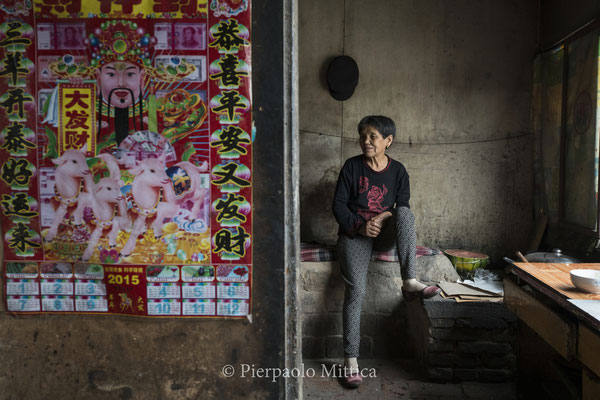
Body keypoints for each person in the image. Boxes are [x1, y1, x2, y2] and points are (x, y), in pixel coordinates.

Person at [332, 115, 440, 389]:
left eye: (372, 137)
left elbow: (401, 205)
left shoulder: (398, 171)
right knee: (355, 290)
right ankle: (351, 361)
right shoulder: (352, 167)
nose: (365, 141)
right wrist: (360, 226)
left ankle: (409, 281)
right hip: (355, 235)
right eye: (363, 136)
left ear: (387, 141)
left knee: (405, 214)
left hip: (384, 233)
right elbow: (339, 206)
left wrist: (380, 219)